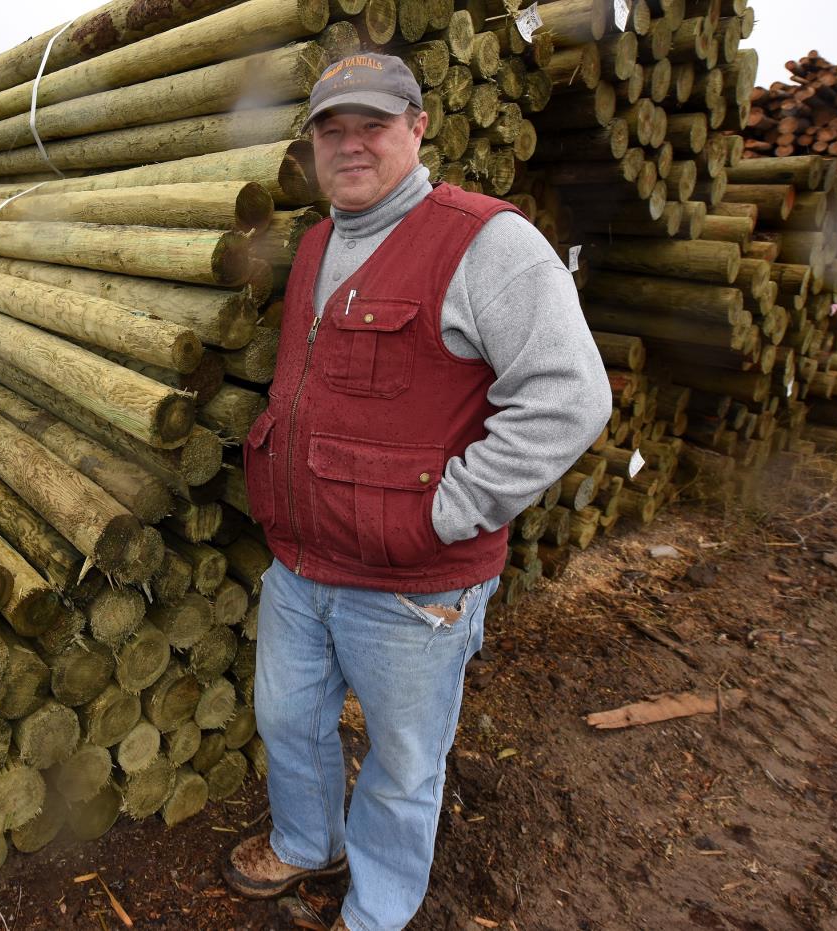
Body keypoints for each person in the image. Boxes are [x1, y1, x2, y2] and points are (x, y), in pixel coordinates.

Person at [221, 53, 610, 930]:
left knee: (402, 761)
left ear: (418, 127)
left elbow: (573, 396)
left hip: (413, 584)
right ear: (312, 142)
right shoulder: (318, 241)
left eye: (374, 124)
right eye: (332, 128)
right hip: (302, 560)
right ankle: (305, 840)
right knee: (289, 721)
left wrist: (451, 508)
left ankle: (378, 908)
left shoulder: (486, 242)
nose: (351, 145)